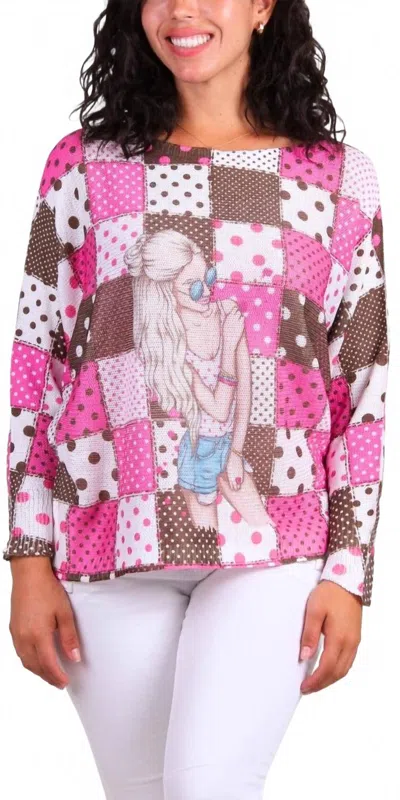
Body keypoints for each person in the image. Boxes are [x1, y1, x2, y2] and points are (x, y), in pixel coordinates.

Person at [3, 1, 390, 798]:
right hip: (110, 544)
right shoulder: (85, 166)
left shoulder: (338, 178)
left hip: (275, 540)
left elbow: (363, 387)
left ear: (262, 7)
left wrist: (349, 569)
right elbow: (40, 364)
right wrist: (27, 557)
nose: (182, 9)